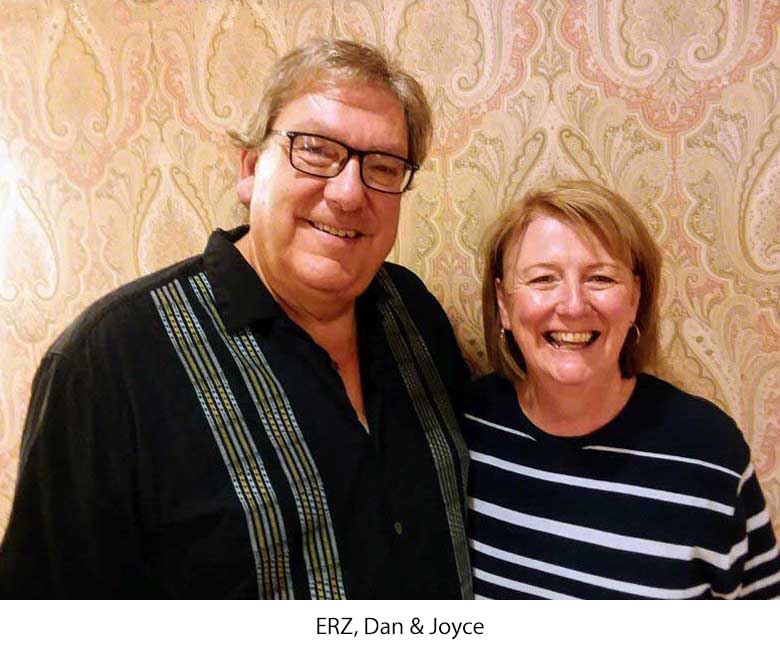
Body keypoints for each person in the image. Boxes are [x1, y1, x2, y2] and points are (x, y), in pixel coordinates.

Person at [0, 38, 472, 599]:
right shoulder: (108, 365)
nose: (349, 193)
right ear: (250, 169)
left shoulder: (413, 312)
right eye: (315, 151)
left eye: (384, 167)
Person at [465, 179, 780, 599]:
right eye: (543, 279)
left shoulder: (707, 452)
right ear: (503, 303)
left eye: (600, 278)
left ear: (636, 297)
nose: (573, 305)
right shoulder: (465, 429)